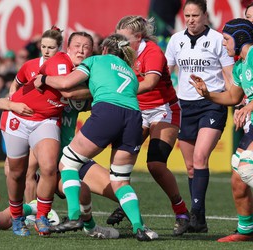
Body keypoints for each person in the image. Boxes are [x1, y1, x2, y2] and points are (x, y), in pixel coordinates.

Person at [34, 33, 155, 241]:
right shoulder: (131, 72)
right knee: (120, 181)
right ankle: (140, 228)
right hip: (135, 117)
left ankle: (73, 216)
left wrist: (43, 78)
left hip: (108, 112)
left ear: (104, 49)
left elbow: (65, 84)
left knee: (68, 164)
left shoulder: (95, 60)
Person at [0, 31, 94, 236]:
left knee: (49, 167)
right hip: (19, 116)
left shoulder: (88, 70)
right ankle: (16, 218)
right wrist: (10, 102)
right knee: (17, 173)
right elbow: (67, 89)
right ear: (67, 49)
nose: (81, 50)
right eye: (77, 45)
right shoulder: (61, 62)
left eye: (86, 47)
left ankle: (42, 216)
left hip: (47, 119)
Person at [115, 15, 190, 236]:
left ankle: (182, 212)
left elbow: (149, 83)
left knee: (155, 164)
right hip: (137, 110)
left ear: (138, 37)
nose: (119, 41)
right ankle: (123, 204)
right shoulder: (120, 51)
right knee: (120, 159)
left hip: (163, 109)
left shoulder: (153, 52)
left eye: (124, 38)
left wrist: (117, 91)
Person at [165, 0, 234, 233]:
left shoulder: (217, 39)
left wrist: (236, 97)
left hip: (211, 104)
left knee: (200, 157)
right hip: (185, 106)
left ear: (205, 15)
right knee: (190, 167)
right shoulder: (176, 40)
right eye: (187, 15)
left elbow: (228, 74)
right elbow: (167, 73)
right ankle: (200, 221)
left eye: (196, 15)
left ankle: (194, 214)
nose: (191, 19)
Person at [190, 18, 253, 242]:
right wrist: (207, 93)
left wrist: (249, 105)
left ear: (241, 38)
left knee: (247, 169)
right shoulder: (239, 66)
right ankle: (246, 231)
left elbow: (245, 101)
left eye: (227, 39)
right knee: (238, 179)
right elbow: (232, 97)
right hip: (251, 126)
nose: (224, 44)